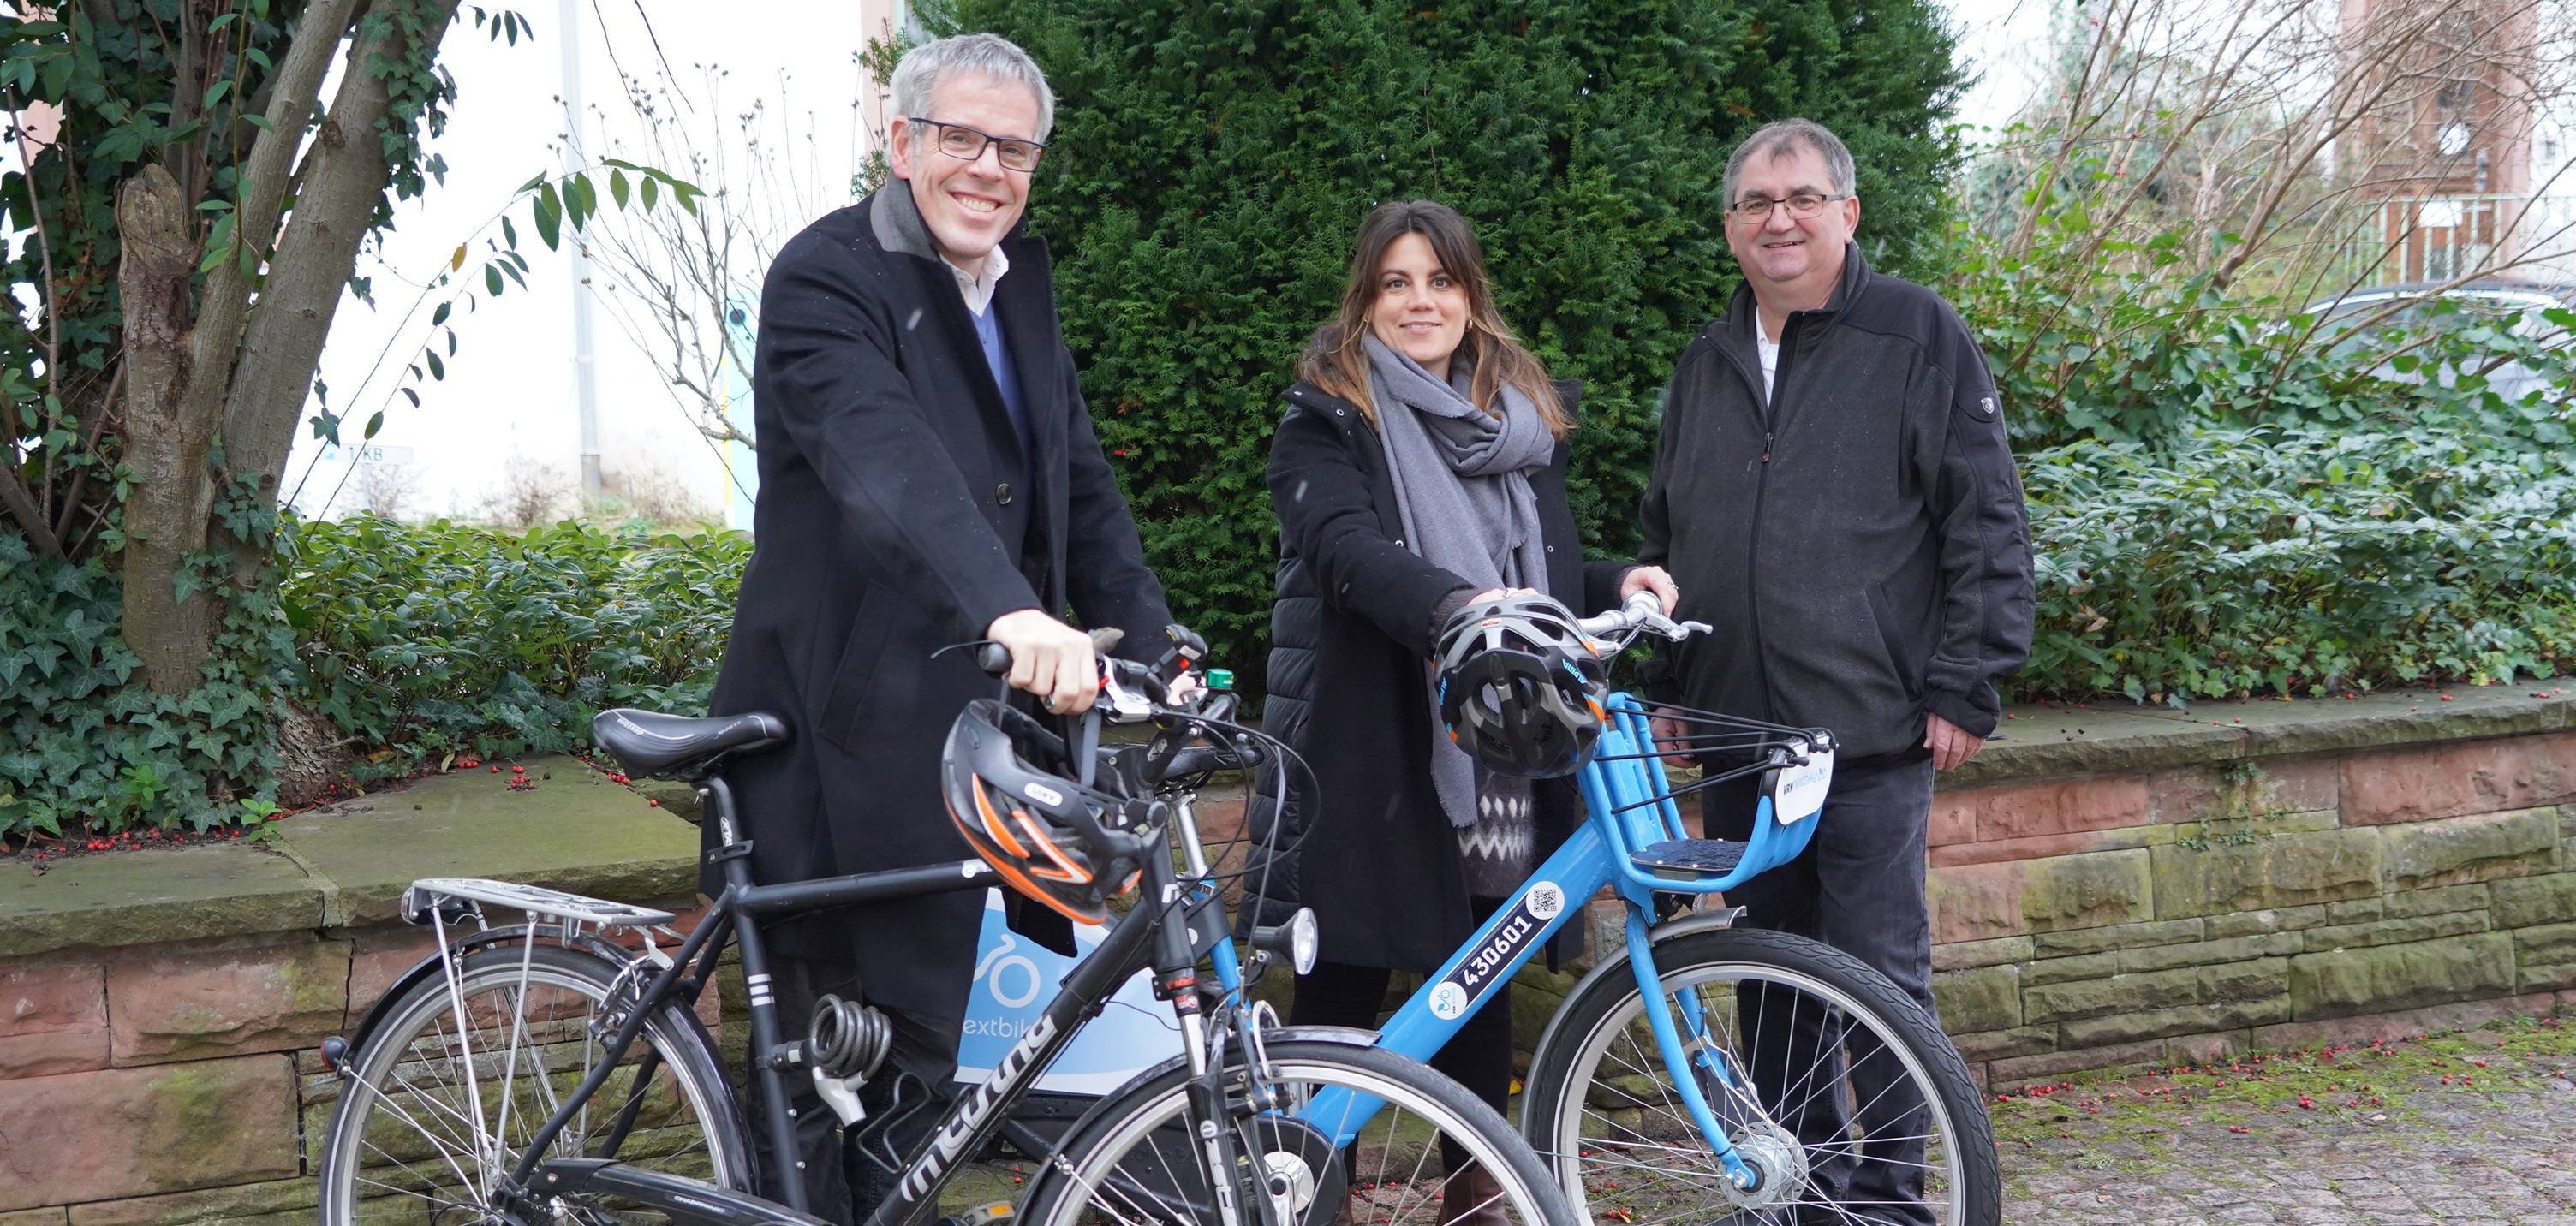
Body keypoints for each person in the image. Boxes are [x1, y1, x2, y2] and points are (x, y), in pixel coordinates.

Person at [707, 33, 1175, 1222]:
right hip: (833, 735)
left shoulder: (1016, 286)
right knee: (820, 1085)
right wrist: (1011, 610)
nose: (988, 168)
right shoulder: (828, 278)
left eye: (1014, 147)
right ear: (903, 140)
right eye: (961, 137)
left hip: (963, 736)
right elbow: (888, 466)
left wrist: (1159, 651)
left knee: (921, 1073)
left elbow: (1076, 481)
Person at [1637, 118, 2035, 1221]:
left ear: (1846, 213)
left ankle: (1897, 1199)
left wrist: (1967, 680)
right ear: (1728, 228)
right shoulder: (1705, 361)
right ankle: (1800, 1196)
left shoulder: (1915, 334)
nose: (1779, 219)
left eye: (1802, 198)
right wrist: (1674, 692)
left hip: (1866, 733)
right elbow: (1664, 534)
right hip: (1737, 741)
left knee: (1877, 987)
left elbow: (1984, 517)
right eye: (1757, 203)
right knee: (1769, 987)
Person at [1261, 199, 1676, 1224]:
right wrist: (1457, 611)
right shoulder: (1326, 417)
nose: (1418, 302)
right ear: (1365, 297)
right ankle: (1307, 1203)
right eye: (1395, 282)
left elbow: (1541, 566)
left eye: (1438, 281)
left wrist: (1623, 580)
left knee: (1478, 972)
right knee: (1342, 997)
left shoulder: (1517, 423)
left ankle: (1474, 1203)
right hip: (1367, 740)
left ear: (1469, 296)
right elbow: (1345, 551)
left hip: (1499, 740)